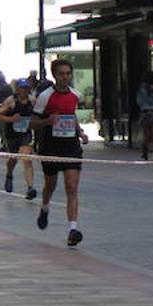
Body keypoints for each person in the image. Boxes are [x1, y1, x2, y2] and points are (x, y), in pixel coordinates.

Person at [30, 59, 89, 247]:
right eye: (61, 74)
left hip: (71, 146)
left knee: (71, 187)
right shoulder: (45, 96)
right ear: (54, 75)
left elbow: (71, 117)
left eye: (67, 74)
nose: (65, 77)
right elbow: (32, 122)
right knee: (50, 185)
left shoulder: (75, 95)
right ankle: (45, 207)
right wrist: (47, 121)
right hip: (50, 146)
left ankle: (73, 229)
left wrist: (80, 132)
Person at [0, 79, 39, 199]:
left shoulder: (32, 100)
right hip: (12, 134)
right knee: (12, 159)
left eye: (26, 88)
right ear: (17, 89)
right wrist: (11, 119)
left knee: (27, 158)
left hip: (25, 133)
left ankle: (30, 188)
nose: (24, 90)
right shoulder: (11, 101)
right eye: (22, 88)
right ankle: (9, 174)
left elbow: (38, 114)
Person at [136, 72, 153, 160]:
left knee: (146, 133)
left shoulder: (142, 89)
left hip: (146, 112)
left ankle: (145, 152)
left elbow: (139, 101)